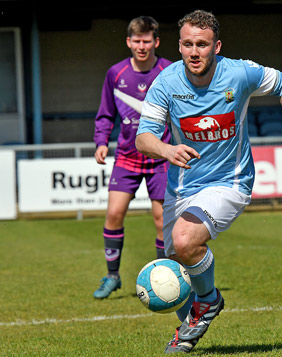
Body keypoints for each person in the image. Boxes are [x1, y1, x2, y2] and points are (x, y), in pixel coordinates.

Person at [135, 10, 282, 353]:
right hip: (181, 187)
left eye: (202, 44)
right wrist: (167, 149)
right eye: (187, 44)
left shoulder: (239, 72)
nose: (194, 52)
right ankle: (190, 329)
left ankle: (210, 301)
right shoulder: (166, 83)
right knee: (176, 265)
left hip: (230, 181)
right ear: (180, 45)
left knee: (185, 241)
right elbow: (143, 139)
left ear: (217, 46)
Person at [93, 16, 172, 299]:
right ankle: (112, 276)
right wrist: (101, 142)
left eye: (147, 40)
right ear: (128, 42)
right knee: (114, 213)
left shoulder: (168, 71)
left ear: (156, 42)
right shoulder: (116, 73)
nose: (142, 46)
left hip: (161, 157)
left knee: (163, 220)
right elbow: (105, 113)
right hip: (127, 156)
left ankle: (168, 277)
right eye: (136, 41)